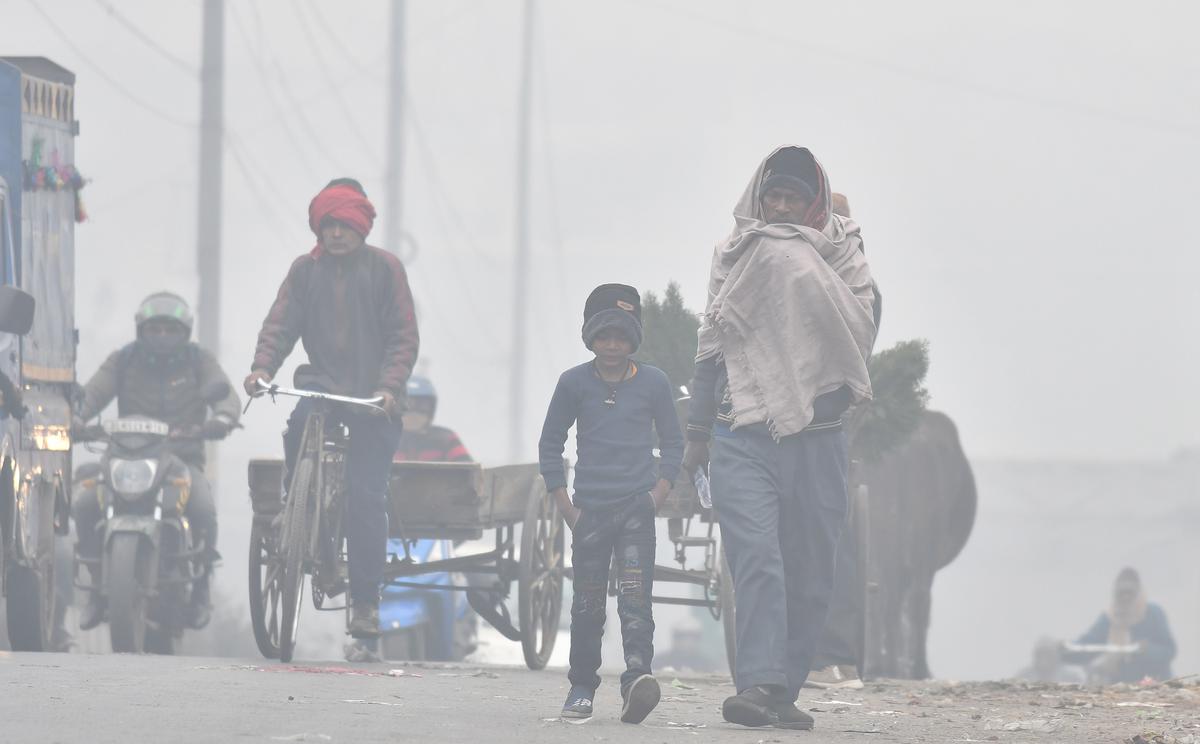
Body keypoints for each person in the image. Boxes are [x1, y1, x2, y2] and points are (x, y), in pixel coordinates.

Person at [684, 147, 879, 730]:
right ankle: (759, 682)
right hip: (744, 437)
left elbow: (860, 338)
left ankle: (782, 690)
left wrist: (812, 280)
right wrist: (695, 434)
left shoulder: (849, 267)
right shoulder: (735, 256)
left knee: (813, 568)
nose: (783, 210)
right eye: (775, 198)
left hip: (819, 442)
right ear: (759, 199)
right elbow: (712, 348)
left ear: (815, 206)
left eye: (796, 199)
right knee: (759, 560)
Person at [244, 178, 419, 648]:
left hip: (374, 400)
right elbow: (279, 325)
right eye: (328, 225)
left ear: (361, 225)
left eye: (344, 224)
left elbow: (404, 337)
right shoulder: (305, 272)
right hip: (321, 388)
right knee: (298, 424)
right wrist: (262, 369)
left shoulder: (385, 270)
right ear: (318, 228)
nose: (336, 233)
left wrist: (388, 388)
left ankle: (364, 602)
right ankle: (292, 507)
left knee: (366, 497)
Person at [539, 283, 684, 724]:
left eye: (621, 337)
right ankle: (581, 687)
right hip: (590, 513)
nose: (613, 345)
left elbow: (673, 443)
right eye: (604, 336)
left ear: (633, 339)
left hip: (636, 511)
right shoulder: (573, 383)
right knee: (586, 604)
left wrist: (657, 494)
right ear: (590, 337)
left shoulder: (654, 383)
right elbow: (550, 445)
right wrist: (568, 509)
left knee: (637, 601)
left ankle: (637, 679)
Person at [72, 291, 241, 630]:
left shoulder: (199, 360)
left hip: (182, 460)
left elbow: (225, 395)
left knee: (203, 509)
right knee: (84, 503)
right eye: (155, 329)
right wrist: (76, 418)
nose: (162, 337)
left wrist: (222, 418)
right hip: (122, 457)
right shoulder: (123, 360)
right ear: (141, 331)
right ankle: (95, 586)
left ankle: (200, 592)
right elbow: (92, 394)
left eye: (170, 330)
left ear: (185, 332)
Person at [806, 192, 874, 692]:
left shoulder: (858, 286)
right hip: (794, 430)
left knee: (830, 542)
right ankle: (814, 655)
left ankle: (834, 654)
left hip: (823, 430)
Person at [1063, 567, 1177, 684]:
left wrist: (1146, 650)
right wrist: (1065, 651)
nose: (1125, 597)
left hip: (1155, 681)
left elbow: (1169, 650)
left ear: (1138, 592)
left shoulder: (1153, 614)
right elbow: (1089, 646)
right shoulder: (1109, 618)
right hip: (1121, 686)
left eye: (1130, 593)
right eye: (1121, 593)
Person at [393, 376, 472, 463]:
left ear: (431, 410)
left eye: (421, 406)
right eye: (407, 406)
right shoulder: (385, 439)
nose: (413, 414)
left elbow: (467, 470)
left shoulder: (446, 439)